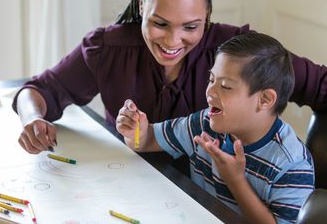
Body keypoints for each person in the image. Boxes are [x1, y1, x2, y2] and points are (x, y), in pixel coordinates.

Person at [12, 0, 327, 154]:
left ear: (208, 15)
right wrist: (32, 119)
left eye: (191, 26)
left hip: (219, 198)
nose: (173, 41)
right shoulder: (108, 48)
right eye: (160, 23)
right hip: (130, 185)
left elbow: (320, 84)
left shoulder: (242, 53)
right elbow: (40, 90)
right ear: (141, 7)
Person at [116, 33, 314, 224]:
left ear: (264, 99)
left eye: (226, 86)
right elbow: (148, 140)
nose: (210, 91)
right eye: (211, 80)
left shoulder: (292, 164)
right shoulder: (203, 124)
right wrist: (136, 131)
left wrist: (235, 180)